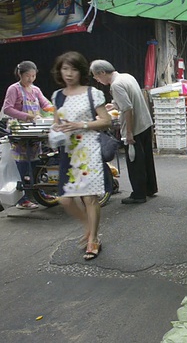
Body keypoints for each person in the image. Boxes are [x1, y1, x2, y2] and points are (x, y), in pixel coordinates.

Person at [50, 52, 112, 260]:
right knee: (65, 200)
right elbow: (56, 121)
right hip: (68, 150)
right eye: (65, 69)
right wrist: (56, 130)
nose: (68, 74)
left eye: (73, 69)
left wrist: (81, 125)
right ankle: (88, 226)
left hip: (88, 149)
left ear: (81, 71)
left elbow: (106, 121)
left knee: (89, 197)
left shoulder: (92, 93)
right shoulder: (57, 95)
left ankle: (93, 240)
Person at [90, 59, 158, 204]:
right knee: (146, 159)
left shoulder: (116, 85)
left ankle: (138, 195)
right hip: (145, 123)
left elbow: (127, 108)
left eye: (96, 76)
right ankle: (150, 188)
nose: (97, 79)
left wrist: (128, 133)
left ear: (102, 73)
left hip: (135, 127)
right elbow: (128, 99)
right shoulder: (127, 77)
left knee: (135, 162)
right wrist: (113, 105)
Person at [1, 61, 54, 209]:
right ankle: (22, 199)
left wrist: (57, 110)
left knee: (36, 162)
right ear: (20, 74)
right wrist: (26, 116)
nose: (30, 79)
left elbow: (45, 105)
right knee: (23, 165)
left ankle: (40, 193)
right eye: (27, 76)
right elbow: (7, 109)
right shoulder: (14, 89)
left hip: (33, 130)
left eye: (33, 75)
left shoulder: (35, 90)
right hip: (19, 130)